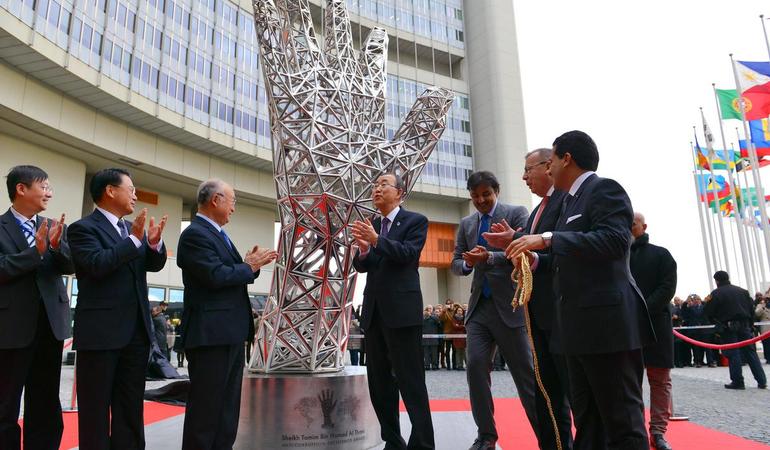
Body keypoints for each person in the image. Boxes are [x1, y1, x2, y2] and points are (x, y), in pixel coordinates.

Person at [508, 130, 655, 450]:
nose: (548, 170)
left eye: (553, 162)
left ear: (566, 159)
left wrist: (548, 239)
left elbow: (615, 242)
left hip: (608, 328)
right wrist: (535, 260)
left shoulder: (604, 189)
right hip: (576, 332)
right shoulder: (568, 203)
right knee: (588, 423)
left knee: (622, 422)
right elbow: (567, 257)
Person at [68, 168, 168, 450]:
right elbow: (97, 265)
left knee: (130, 407)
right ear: (110, 191)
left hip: (135, 334)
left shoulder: (129, 230)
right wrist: (135, 240)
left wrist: (152, 243)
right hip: (100, 336)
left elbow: (152, 264)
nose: (135, 195)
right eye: (131, 189)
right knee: (95, 411)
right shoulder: (82, 229)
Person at [177, 179, 277, 449]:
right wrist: (247, 265)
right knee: (206, 412)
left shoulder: (218, 234)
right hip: (210, 335)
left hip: (228, 333)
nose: (234, 208)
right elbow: (214, 276)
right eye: (232, 201)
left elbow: (229, 273)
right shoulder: (195, 234)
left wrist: (249, 265)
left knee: (226, 410)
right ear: (216, 200)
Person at [484, 147, 573, 449]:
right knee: (546, 394)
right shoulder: (537, 211)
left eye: (528, 170)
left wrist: (527, 245)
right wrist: (513, 239)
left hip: (562, 313)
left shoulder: (567, 202)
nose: (523, 177)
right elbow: (534, 247)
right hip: (537, 313)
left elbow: (559, 245)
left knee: (569, 393)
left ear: (550, 166)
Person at [450, 170, 539, 450]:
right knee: (475, 367)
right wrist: (466, 264)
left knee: (525, 375)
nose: (481, 200)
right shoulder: (466, 224)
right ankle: (486, 436)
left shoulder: (516, 214)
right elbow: (455, 261)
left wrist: (488, 256)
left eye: (486, 194)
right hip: (479, 310)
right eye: (475, 196)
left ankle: (546, 435)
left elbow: (523, 252)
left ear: (496, 191)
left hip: (511, 308)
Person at [352, 172, 434, 450]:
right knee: (379, 384)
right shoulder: (372, 224)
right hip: (374, 313)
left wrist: (376, 240)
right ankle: (393, 441)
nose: (377, 189)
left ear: (400, 193)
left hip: (403, 312)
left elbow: (408, 254)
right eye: (374, 186)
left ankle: (422, 444)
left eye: (383, 185)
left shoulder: (415, 221)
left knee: (411, 382)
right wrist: (363, 250)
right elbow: (364, 265)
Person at [0, 165, 73, 450]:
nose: (49, 193)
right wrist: (36, 252)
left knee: (44, 400)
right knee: (5, 402)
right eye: (44, 186)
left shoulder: (54, 226)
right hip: (11, 328)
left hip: (49, 327)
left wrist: (56, 247)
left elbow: (70, 266)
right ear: (21, 188)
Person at [629, 212, 677, 450]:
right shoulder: (617, 256)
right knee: (630, 382)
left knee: (660, 381)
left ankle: (658, 432)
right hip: (626, 328)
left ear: (644, 226)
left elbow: (667, 288)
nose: (629, 227)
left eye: (633, 224)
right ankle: (635, 429)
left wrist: (642, 309)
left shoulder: (662, 255)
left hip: (656, 325)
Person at [704, 271, 767, 389]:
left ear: (716, 280)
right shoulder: (742, 291)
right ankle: (762, 380)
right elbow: (751, 310)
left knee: (733, 354)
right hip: (745, 326)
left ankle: (738, 381)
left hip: (728, 327)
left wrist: (717, 323)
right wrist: (751, 325)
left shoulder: (716, 293)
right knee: (750, 353)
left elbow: (708, 311)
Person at [422, 305, 441, 370]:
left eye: (430, 308)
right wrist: (425, 316)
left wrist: (430, 316)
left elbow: (438, 323)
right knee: (426, 354)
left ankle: (434, 365)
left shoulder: (435, 317)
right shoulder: (423, 317)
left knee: (434, 354)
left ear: (432, 309)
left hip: (434, 339)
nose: (429, 309)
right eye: (428, 308)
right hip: (425, 339)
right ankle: (427, 365)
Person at [451, 306, 466, 370]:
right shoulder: (454, 318)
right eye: (458, 310)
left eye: (461, 310)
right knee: (458, 352)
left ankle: (464, 365)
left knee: (464, 352)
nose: (460, 312)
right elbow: (454, 326)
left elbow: (466, 326)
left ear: (462, 312)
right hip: (456, 337)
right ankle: (459, 365)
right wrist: (462, 326)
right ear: (456, 311)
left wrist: (459, 326)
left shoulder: (465, 318)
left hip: (464, 337)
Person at [755, 296, 770, 364]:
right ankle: (768, 358)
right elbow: (757, 314)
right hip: (765, 328)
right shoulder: (760, 306)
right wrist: (762, 307)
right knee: (766, 344)